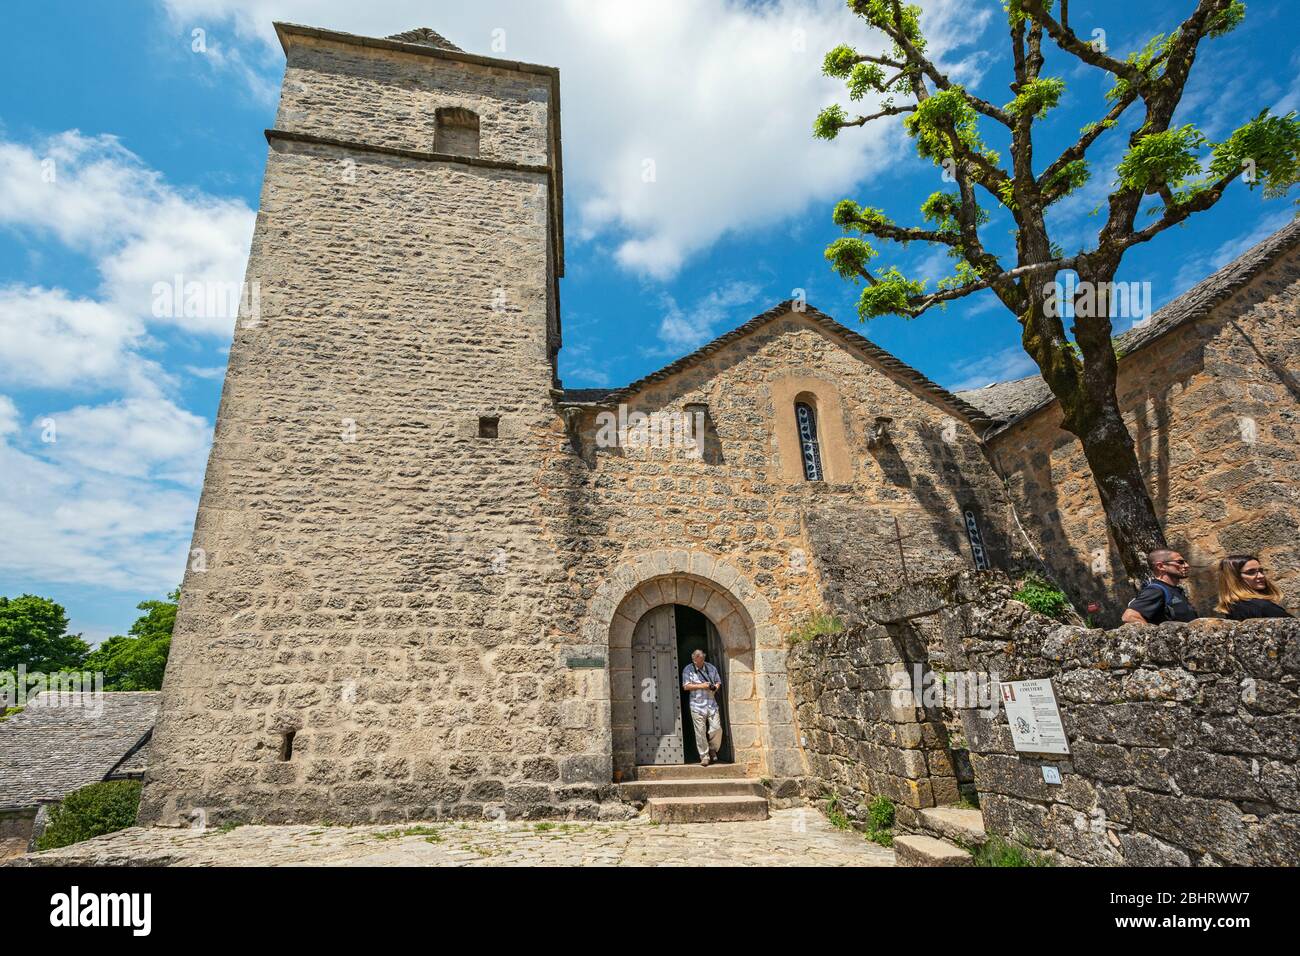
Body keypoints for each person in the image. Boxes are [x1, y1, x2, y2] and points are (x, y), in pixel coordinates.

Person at [1121, 549, 1200, 625]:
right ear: (1160, 566)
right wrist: (1155, 637)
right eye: (1180, 562)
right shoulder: (1156, 590)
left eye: (1185, 562)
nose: (1186, 565)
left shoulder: (1176, 590)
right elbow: (1130, 616)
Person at [1215, 554, 1292, 620]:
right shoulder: (1263, 607)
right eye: (1251, 572)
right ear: (1234, 577)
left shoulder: (1232, 606)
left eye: (1261, 571)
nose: (1261, 576)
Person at [681, 649, 724, 767]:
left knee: (717, 728)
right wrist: (702, 686)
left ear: (703, 659)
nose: (699, 664)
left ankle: (712, 748)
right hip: (696, 705)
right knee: (700, 732)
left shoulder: (711, 668)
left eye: (701, 661)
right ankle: (704, 756)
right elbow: (686, 686)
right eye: (697, 662)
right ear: (693, 660)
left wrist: (715, 687)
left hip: (711, 704)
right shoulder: (688, 669)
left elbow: (718, 681)